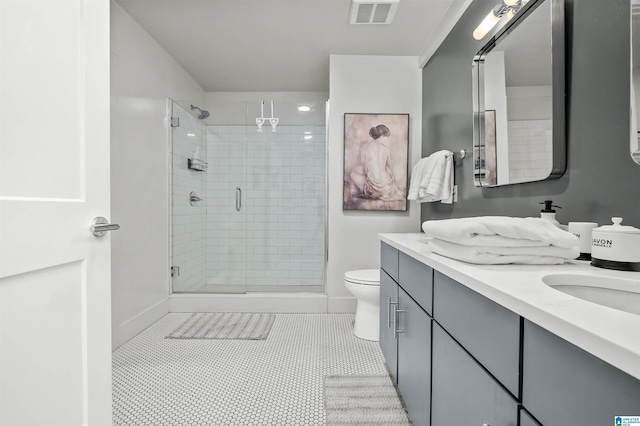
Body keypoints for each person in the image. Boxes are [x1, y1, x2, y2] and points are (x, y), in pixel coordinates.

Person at [350, 124, 404, 201]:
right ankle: (384, 192)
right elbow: (390, 168)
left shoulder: (365, 148)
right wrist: (394, 181)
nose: (386, 140)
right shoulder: (386, 150)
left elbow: (365, 169)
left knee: (352, 175)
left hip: (372, 187)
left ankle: (371, 193)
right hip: (387, 186)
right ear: (382, 136)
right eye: (386, 138)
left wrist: (368, 177)